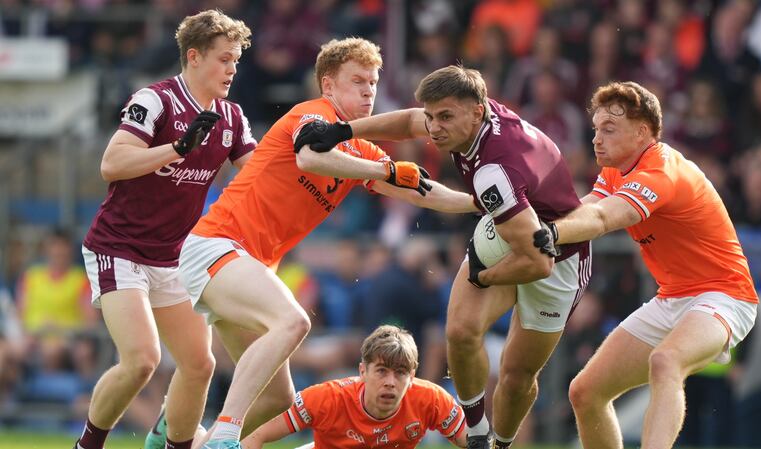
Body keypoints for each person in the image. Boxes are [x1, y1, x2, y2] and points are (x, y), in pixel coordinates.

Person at [171, 39, 476, 449]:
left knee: (278, 401)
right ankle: (225, 433)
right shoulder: (314, 114)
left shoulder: (359, 149)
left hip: (246, 264)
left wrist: (484, 205)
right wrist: (383, 168)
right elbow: (310, 157)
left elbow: (424, 192)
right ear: (328, 85)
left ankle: (187, 439)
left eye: (373, 82)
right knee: (294, 322)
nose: (369, 90)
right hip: (216, 245)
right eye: (358, 81)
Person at [295, 65, 592, 449]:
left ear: (477, 111)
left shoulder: (493, 172)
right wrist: (344, 130)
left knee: (517, 377)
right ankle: (477, 434)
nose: (434, 128)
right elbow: (410, 121)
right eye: (433, 116)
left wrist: (481, 277)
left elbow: (538, 262)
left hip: (559, 258)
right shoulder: (475, 115)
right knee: (459, 331)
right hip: (509, 222)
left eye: (445, 117)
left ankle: (502, 443)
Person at [532, 81, 758, 449]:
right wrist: (529, 217)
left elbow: (604, 218)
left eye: (609, 129)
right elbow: (586, 208)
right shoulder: (616, 170)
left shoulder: (661, 170)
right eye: (595, 129)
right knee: (585, 392)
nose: (596, 139)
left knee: (666, 361)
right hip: (672, 299)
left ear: (642, 132)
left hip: (724, 296)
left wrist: (553, 232)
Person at [76, 10, 256, 449]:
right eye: (224, 59)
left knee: (199, 365)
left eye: (236, 60)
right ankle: (87, 444)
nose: (233, 69)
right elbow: (111, 165)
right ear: (193, 57)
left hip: (174, 257)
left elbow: (258, 181)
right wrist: (175, 149)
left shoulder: (232, 117)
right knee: (142, 360)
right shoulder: (155, 100)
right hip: (118, 249)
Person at [240, 324, 467, 449]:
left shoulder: (432, 399)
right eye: (381, 371)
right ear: (362, 372)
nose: (390, 381)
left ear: (412, 376)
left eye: (400, 373)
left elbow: (475, 442)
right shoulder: (326, 398)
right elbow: (255, 435)